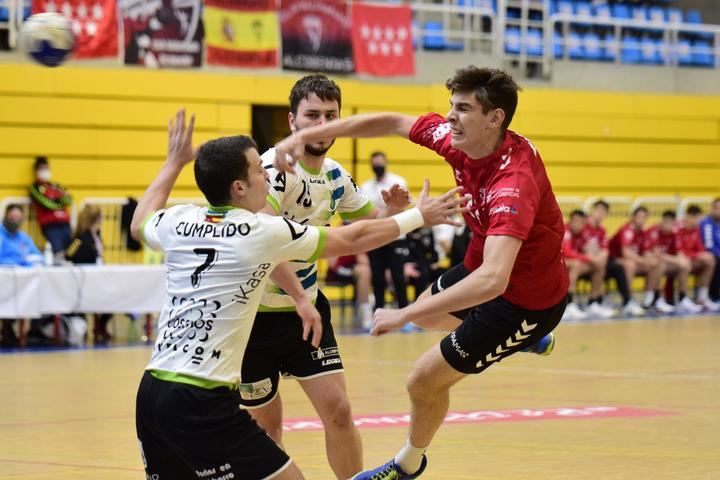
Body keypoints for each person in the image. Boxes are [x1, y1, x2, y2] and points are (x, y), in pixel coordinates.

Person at [131, 110, 464, 480]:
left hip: (152, 391)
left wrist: (174, 162)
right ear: (239, 187)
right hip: (201, 396)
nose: (267, 176)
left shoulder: (179, 219)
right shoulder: (259, 231)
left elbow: (139, 219)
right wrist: (420, 216)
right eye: (259, 170)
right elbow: (351, 238)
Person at [273, 66, 564, 479]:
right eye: (450, 106)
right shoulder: (459, 140)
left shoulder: (512, 183)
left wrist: (401, 314)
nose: (449, 117)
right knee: (430, 314)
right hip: (485, 267)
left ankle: (406, 466)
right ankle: (527, 342)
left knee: (422, 382)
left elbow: (493, 282)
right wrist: (301, 138)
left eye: (462, 108)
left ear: (495, 118)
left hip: (523, 301)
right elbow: (391, 122)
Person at [241, 75, 412, 479]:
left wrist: (396, 211)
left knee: (339, 411)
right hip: (253, 317)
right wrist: (300, 297)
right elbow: (266, 244)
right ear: (292, 120)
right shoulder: (271, 169)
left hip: (306, 314)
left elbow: (366, 223)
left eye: (330, 116)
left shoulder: (335, 174)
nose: (322, 124)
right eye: (312, 115)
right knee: (267, 427)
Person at [360, 151, 411, 310]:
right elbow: (367, 211)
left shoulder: (398, 181)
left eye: (380, 162)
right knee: (378, 277)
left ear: (386, 163)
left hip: (396, 235)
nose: (378, 166)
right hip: (375, 237)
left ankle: (404, 311)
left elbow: (405, 205)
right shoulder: (366, 186)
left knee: (398, 276)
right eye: (375, 163)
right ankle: (379, 311)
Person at [609, 206, 674, 314]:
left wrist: (651, 258)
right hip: (615, 260)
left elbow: (647, 250)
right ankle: (627, 301)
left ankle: (650, 300)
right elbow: (626, 254)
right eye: (639, 216)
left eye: (644, 217)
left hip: (634, 260)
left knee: (658, 264)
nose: (641, 219)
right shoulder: (626, 230)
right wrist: (645, 260)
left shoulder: (644, 231)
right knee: (630, 265)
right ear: (633, 217)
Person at [65, 204, 115, 343]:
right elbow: (69, 256)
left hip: (97, 277)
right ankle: (87, 326)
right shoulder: (80, 238)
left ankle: (101, 326)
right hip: (84, 280)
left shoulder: (96, 235)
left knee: (113, 296)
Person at [585, 200, 644, 316]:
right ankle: (594, 302)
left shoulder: (602, 230)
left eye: (604, 212)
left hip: (598, 260)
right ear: (592, 210)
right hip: (585, 260)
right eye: (598, 210)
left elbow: (604, 249)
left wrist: (599, 257)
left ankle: (626, 301)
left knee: (618, 267)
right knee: (605, 265)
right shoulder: (584, 226)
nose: (600, 214)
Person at [0, 204, 42, 346]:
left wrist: (29, 261)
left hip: (23, 278)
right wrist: (18, 261)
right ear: (6, 216)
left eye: (18, 218)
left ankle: (36, 330)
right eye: (12, 217)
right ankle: (7, 329)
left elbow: (37, 255)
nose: (15, 221)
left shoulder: (23, 237)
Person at [561, 210, 613, 320]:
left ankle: (593, 303)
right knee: (576, 265)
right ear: (572, 221)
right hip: (557, 263)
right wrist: (589, 258)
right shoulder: (565, 231)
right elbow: (567, 253)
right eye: (577, 222)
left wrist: (594, 257)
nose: (580, 225)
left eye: (583, 223)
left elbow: (589, 248)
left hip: (574, 262)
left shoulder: (583, 232)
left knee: (599, 266)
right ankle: (568, 304)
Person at [645, 210, 701, 314]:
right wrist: (677, 260)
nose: (668, 226)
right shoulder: (654, 231)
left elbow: (679, 253)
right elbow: (656, 255)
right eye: (666, 222)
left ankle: (682, 298)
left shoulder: (675, 233)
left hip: (665, 261)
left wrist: (681, 260)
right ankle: (656, 299)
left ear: (674, 223)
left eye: (671, 223)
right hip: (651, 261)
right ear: (662, 221)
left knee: (686, 264)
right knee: (659, 265)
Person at [677, 205, 719, 311]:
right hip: (677, 259)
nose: (699, 221)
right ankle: (682, 298)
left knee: (710, 261)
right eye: (698, 218)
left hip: (690, 259)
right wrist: (697, 255)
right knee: (685, 265)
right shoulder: (678, 228)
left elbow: (699, 248)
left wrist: (702, 255)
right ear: (690, 216)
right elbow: (679, 250)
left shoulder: (695, 229)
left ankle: (702, 298)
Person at [29, 156, 73, 256]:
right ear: (36, 171)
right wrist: (60, 202)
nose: (45, 171)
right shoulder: (35, 188)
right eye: (42, 168)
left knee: (70, 254)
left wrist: (57, 201)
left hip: (65, 224)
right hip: (51, 226)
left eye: (47, 168)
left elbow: (69, 199)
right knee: (59, 254)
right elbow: (46, 204)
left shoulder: (56, 186)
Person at [325, 252, 373, 325]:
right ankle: (366, 311)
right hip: (340, 268)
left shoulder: (360, 243)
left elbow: (364, 260)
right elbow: (332, 263)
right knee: (364, 271)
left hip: (356, 267)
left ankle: (368, 303)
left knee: (369, 270)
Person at [700, 197, 720, 302]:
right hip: (710, 253)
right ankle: (715, 295)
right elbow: (708, 245)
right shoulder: (707, 223)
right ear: (712, 209)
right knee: (716, 260)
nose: (719, 211)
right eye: (717, 208)